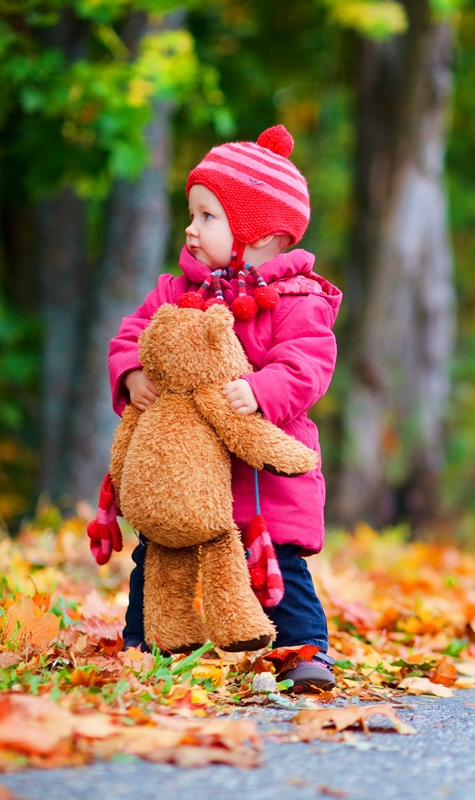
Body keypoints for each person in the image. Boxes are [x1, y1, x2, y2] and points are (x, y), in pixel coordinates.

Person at [108, 125, 342, 692]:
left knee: (278, 567)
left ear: (262, 234)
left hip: (264, 477)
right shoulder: (175, 292)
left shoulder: (296, 301)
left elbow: (308, 364)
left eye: (208, 217)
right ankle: (147, 643)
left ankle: (303, 652)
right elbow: (131, 335)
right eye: (192, 213)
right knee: (157, 554)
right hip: (185, 473)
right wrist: (132, 373)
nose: (191, 228)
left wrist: (262, 392)